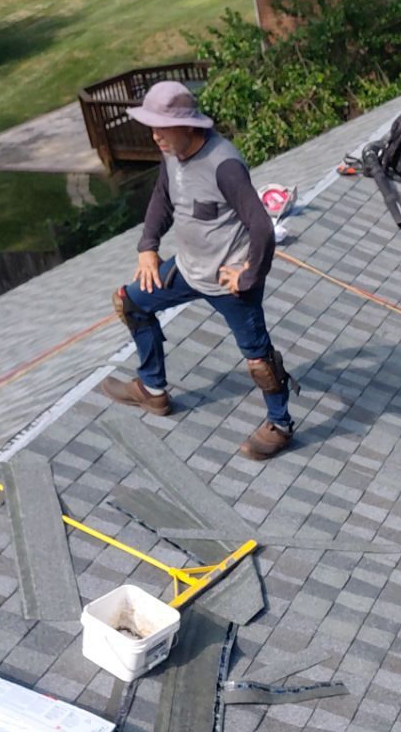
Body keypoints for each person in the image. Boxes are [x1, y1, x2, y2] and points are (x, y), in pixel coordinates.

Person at [100, 80, 296, 461]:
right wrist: (148, 247)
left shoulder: (224, 165)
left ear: (190, 125)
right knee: (131, 303)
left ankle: (281, 424)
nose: (154, 135)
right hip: (188, 271)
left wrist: (248, 276)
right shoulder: (172, 152)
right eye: (151, 126)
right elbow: (163, 198)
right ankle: (152, 390)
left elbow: (261, 227)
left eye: (161, 127)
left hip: (229, 283)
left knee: (260, 361)